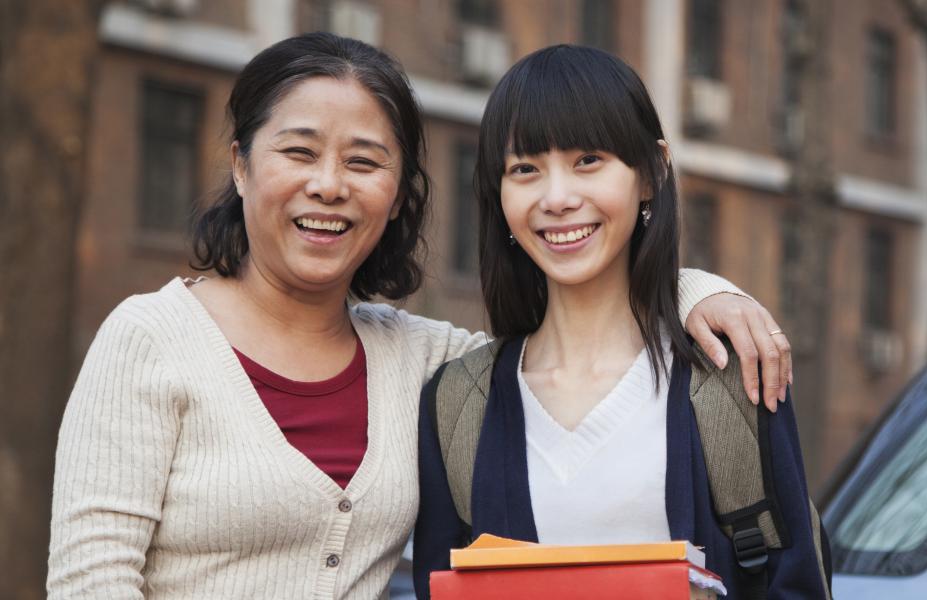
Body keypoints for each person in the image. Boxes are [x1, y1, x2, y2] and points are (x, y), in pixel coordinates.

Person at [47, 33, 791, 599]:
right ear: (241, 164)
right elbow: (89, 582)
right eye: (298, 152)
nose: (329, 185)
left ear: (401, 192)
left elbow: (577, 330)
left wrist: (695, 291)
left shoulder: (427, 364)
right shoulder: (151, 342)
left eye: (365, 163)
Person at [413, 45, 831, 599]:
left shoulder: (731, 375)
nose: (558, 198)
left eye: (588, 160)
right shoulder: (456, 403)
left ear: (651, 173)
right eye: (525, 170)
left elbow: (796, 585)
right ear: (500, 196)